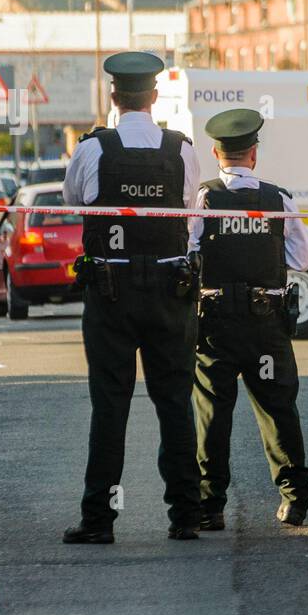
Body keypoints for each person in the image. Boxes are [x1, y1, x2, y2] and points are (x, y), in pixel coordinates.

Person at [60, 51, 204, 544]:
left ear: (115, 97)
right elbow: (187, 209)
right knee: (175, 403)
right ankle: (186, 514)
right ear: (155, 95)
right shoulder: (181, 149)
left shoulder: (93, 149)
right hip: (169, 293)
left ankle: (99, 520)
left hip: (111, 295)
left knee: (110, 406)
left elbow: (73, 200)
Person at [189, 108, 308, 528]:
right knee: (278, 408)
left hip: (217, 325)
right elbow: (303, 256)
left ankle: (211, 507)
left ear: (215, 153)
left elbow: (190, 252)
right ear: (254, 155)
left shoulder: (205, 198)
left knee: (212, 413)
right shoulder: (278, 199)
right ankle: (294, 498)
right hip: (266, 323)